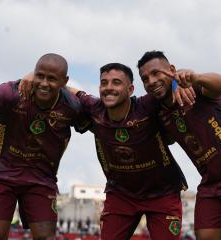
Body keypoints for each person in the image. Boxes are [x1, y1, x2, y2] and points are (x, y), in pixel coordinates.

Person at [21, 62, 189, 239]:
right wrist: (31, 75)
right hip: (121, 194)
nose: (109, 88)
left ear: (130, 89)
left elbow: (168, 83)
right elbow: (66, 87)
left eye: (116, 82)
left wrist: (178, 81)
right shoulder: (94, 108)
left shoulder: (147, 105)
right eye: (104, 82)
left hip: (163, 192)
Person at [137, 51, 221, 240]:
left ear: (171, 70)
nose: (151, 81)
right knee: (206, 236)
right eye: (145, 79)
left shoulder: (194, 87)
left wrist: (196, 77)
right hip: (211, 182)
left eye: (156, 73)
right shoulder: (159, 111)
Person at [0, 53, 89, 240]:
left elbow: (100, 121)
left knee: (46, 237)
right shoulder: (12, 92)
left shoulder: (73, 106)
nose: (43, 83)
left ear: (64, 81)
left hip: (41, 178)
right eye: (40, 75)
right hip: (1, 173)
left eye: (51, 79)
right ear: (33, 73)